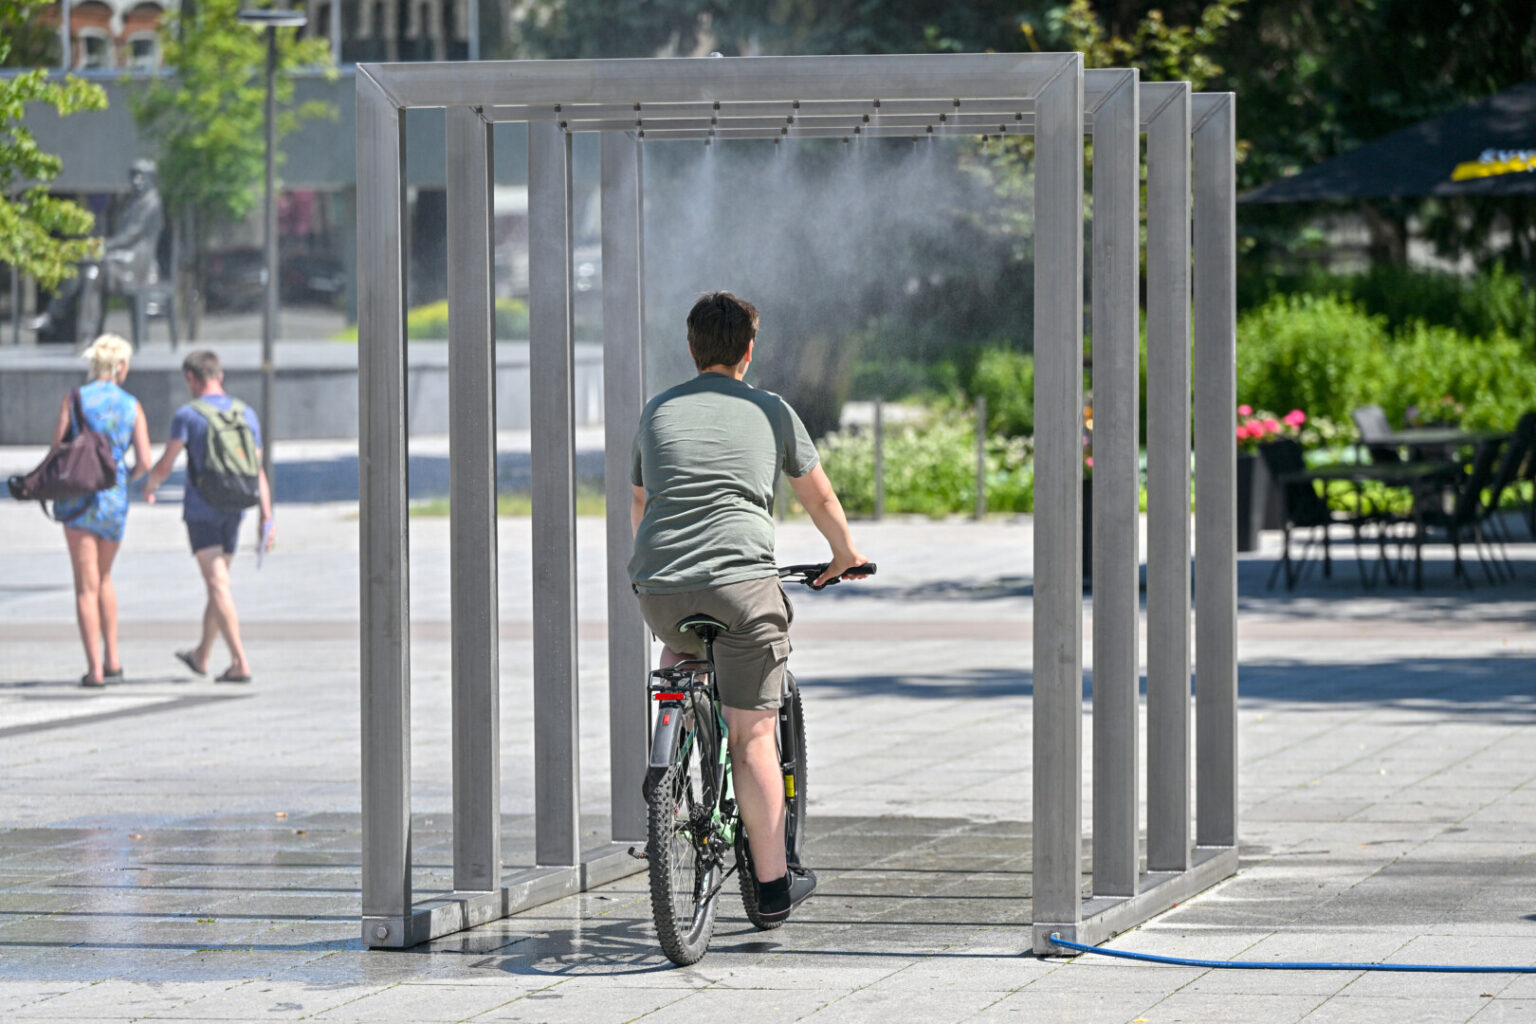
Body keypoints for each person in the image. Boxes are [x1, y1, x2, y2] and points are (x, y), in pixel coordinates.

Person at [629, 291, 869, 923]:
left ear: (691, 347)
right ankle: (769, 886)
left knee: (680, 645)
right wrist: (844, 555)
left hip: (658, 589)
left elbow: (641, 505)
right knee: (754, 731)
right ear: (749, 349)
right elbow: (818, 498)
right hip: (741, 589)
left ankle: (669, 752)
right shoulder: (770, 409)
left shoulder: (657, 411)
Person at [143, 350, 273, 683]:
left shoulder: (188, 415)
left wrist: (151, 484)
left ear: (191, 378)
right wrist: (266, 517)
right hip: (236, 508)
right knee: (220, 585)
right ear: (220, 375)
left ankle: (239, 661)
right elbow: (257, 471)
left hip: (202, 510)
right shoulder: (247, 414)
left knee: (217, 585)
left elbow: (167, 462)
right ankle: (202, 654)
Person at [51, 334, 153, 687]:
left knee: (85, 587)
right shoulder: (131, 405)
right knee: (105, 578)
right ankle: (113, 659)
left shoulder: (75, 399)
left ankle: (94, 670)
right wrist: (124, 478)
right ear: (121, 366)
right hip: (113, 500)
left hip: (78, 497)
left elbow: (57, 449)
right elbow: (144, 461)